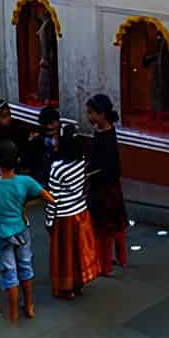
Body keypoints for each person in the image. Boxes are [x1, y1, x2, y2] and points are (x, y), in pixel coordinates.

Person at [0, 140, 46, 323]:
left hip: (1, 234)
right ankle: (30, 306)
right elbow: (46, 197)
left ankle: (13, 314)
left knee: (9, 273)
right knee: (25, 266)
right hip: (21, 229)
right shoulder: (25, 182)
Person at [46, 123, 103, 299]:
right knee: (78, 251)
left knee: (64, 254)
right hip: (81, 211)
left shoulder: (57, 168)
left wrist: (49, 220)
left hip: (64, 215)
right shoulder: (82, 162)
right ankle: (78, 285)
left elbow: (52, 197)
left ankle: (65, 288)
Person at [85, 94, 127, 273]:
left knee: (104, 228)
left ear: (101, 114)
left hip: (104, 189)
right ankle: (120, 259)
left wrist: (89, 175)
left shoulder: (105, 137)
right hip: (109, 187)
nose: (88, 116)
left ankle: (106, 266)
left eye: (91, 113)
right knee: (116, 225)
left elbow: (106, 166)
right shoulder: (105, 131)